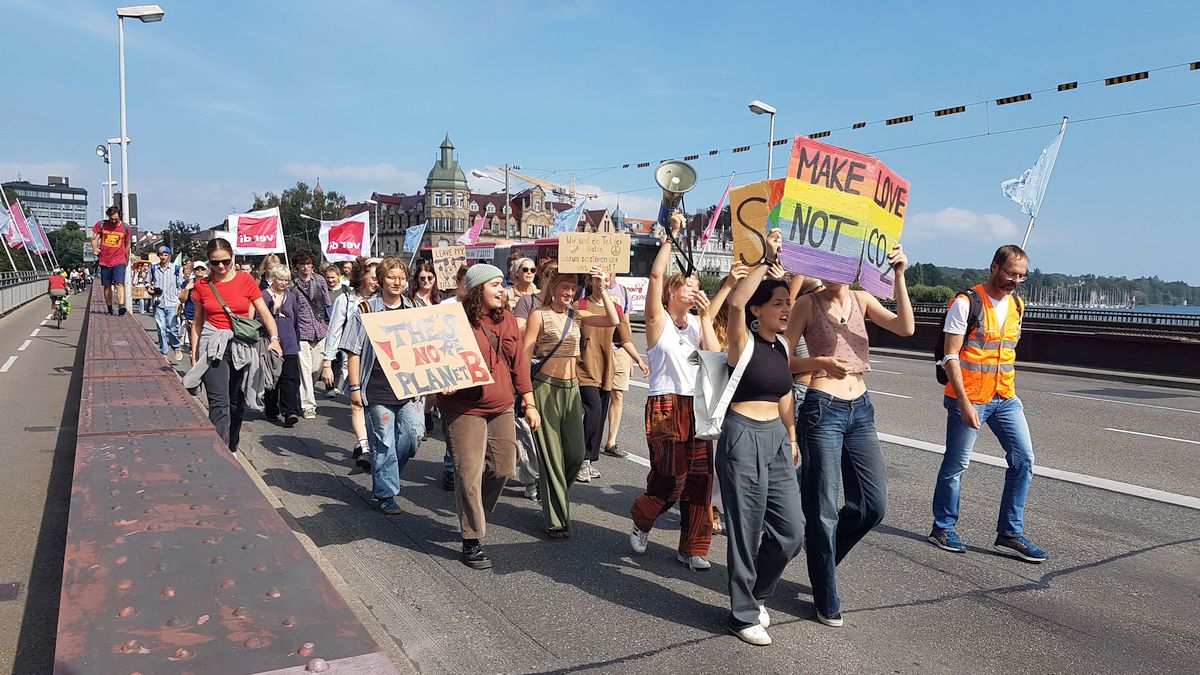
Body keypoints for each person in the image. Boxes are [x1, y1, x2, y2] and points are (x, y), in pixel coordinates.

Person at [786, 242, 912, 628]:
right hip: (822, 408)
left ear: (853, 267)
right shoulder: (807, 303)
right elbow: (785, 357)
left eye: (840, 263)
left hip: (861, 408)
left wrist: (900, 274)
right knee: (822, 510)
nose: (832, 271)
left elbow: (906, 327)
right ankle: (826, 594)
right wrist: (819, 361)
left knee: (872, 505)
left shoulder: (862, 298)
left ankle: (821, 560)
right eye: (824, 264)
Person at [929, 244, 1047, 563]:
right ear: (994, 267)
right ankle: (943, 527)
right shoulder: (967, 302)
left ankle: (1010, 532)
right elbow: (950, 356)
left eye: (1022, 276)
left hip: (1005, 396)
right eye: (1011, 273)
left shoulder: (1017, 304)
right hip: (969, 397)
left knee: (1024, 460)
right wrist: (965, 404)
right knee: (957, 464)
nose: (1015, 280)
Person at [717, 239, 804, 647]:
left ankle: (757, 594)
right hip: (742, 437)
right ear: (757, 309)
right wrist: (765, 261)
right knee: (745, 530)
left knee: (791, 530)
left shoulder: (782, 345)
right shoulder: (743, 342)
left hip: (775, 439)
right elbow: (734, 305)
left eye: (788, 302)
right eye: (777, 304)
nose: (786, 309)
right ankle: (742, 614)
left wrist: (791, 436)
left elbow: (784, 392)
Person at [628, 212, 715, 570]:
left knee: (700, 480)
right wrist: (671, 237)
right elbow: (655, 274)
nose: (695, 291)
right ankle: (641, 517)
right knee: (671, 478)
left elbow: (712, 358)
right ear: (672, 292)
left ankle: (692, 548)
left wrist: (707, 317)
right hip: (665, 404)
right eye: (688, 287)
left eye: (697, 287)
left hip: (696, 406)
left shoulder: (697, 322)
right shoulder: (658, 320)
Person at [440, 264, 538, 569]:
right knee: (468, 473)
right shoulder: (454, 321)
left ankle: (473, 507)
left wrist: (530, 403)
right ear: (478, 288)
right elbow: (437, 359)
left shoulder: (508, 320)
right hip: (464, 408)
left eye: (502, 284)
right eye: (495, 285)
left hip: (502, 405)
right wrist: (440, 382)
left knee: (503, 467)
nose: (502, 290)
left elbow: (519, 364)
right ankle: (472, 539)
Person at [521, 265, 618, 538]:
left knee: (575, 454)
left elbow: (612, 320)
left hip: (571, 388)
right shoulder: (538, 316)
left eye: (573, 287)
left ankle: (549, 491)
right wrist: (527, 399)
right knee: (551, 455)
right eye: (564, 286)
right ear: (552, 288)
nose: (569, 292)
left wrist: (601, 287)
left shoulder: (578, 315)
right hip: (544, 388)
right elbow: (525, 358)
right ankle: (557, 520)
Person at [185, 239, 283, 453]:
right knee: (219, 403)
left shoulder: (246, 280)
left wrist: (274, 339)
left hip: (241, 345)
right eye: (215, 262)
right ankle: (221, 455)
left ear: (233, 258)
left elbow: (264, 314)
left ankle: (232, 446)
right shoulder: (202, 285)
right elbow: (198, 322)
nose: (220, 267)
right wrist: (194, 352)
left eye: (225, 262)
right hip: (213, 346)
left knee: (236, 404)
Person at [342, 258, 420, 515]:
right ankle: (386, 494)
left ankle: (386, 472)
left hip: (408, 388)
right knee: (384, 443)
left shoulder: (414, 307)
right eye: (391, 277)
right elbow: (353, 351)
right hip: (376, 388)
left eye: (401, 277)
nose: (397, 282)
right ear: (381, 280)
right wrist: (354, 389)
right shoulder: (365, 310)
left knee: (411, 438)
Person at [323, 258, 381, 471]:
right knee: (358, 402)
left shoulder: (384, 299)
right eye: (373, 277)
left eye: (379, 278)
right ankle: (365, 446)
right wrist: (328, 361)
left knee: (374, 406)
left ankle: (367, 441)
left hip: (378, 362)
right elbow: (335, 331)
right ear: (361, 276)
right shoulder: (346, 300)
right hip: (353, 359)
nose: (376, 282)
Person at [575, 272, 633, 483]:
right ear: (590, 281)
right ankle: (580, 458)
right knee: (593, 411)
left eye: (605, 280)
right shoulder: (579, 305)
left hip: (605, 366)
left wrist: (638, 360)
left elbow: (624, 338)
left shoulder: (615, 308)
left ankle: (589, 460)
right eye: (597, 279)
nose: (601, 283)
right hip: (584, 365)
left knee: (599, 417)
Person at [602, 272, 649, 458]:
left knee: (618, 394)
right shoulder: (589, 291)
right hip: (600, 349)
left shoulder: (622, 291)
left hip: (620, 348)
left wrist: (631, 357)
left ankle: (611, 441)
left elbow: (626, 324)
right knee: (596, 396)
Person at [290, 250, 331, 419]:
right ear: (297, 266)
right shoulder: (291, 284)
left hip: (320, 329)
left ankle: (305, 392)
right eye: (302, 264)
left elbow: (328, 303)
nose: (306, 267)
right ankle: (308, 405)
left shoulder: (320, 280)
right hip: (301, 330)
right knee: (304, 369)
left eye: (308, 263)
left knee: (316, 369)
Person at [262, 265, 303, 427]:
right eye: (281, 279)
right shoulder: (264, 295)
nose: (284, 283)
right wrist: (275, 308)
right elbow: (260, 319)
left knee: (290, 378)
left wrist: (297, 341)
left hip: (290, 342)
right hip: (271, 342)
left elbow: (295, 320)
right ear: (273, 278)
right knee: (274, 378)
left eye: (287, 280)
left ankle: (290, 411)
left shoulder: (291, 296)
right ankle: (271, 409)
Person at [147, 245, 186, 361]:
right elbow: (147, 282)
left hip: (172, 302)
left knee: (172, 326)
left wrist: (180, 301)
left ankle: (176, 346)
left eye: (165, 255)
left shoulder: (176, 269)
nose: (163, 257)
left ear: (169, 256)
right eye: (161, 255)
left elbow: (181, 286)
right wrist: (150, 288)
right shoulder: (153, 268)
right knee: (161, 327)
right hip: (158, 302)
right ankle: (163, 351)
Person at [91, 206, 131, 315]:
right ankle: (109, 307)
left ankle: (121, 305)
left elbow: (127, 244)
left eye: (116, 219)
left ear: (120, 216)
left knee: (119, 283)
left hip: (119, 260)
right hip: (105, 260)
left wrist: (127, 258)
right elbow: (94, 239)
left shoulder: (126, 228)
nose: (113, 221)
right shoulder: (102, 225)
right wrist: (94, 248)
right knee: (107, 285)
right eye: (111, 219)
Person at [179, 261, 206, 348]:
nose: (200, 271)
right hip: (191, 317)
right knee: (193, 346)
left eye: (202, 269)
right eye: (197, 269)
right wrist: (187, 289)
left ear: (205, 271)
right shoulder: (188, 282)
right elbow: (182, 299)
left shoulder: (209, 283)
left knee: (203, 345)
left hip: (205, 318)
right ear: (194, 271)